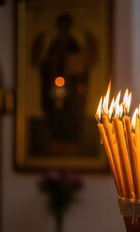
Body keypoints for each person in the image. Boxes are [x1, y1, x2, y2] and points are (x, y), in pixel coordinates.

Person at [31, 12, 97, 142]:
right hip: (54, 81)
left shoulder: (73, 44)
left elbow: (80, 65)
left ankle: (71, 136)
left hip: (71, 84)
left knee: (71, 110)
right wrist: (53, 60)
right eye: (61, 26)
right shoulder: (54, 44)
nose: (63, 29)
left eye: (65, 26)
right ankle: (55, 136)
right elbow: (46, 63)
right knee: (54, 110)